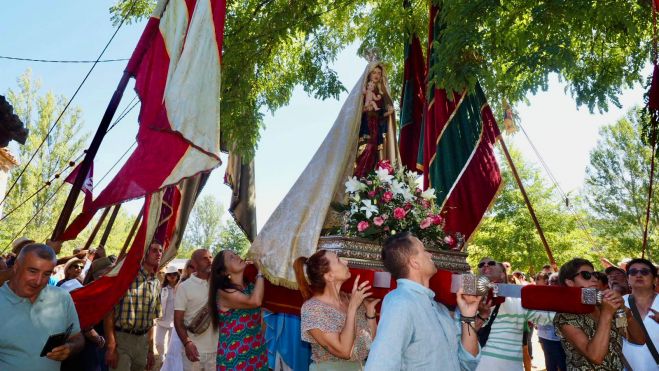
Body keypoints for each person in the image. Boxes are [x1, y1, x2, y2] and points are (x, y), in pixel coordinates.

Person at [365, 232, 481, 370]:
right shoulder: (400, 302)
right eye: (424, 250)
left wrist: (468, 316)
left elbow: (468, 362)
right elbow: (380, 365)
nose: (430, 255)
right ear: (414, 262)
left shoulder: (440, 309)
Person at [0, 243, 84, 370]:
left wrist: (70, 348)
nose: (38, 281)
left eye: (46, 274)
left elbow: (77, 338)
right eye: (33, 271)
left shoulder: (62, 298)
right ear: (16, 267)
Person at [294, 250, 379, 370]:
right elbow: (344, 351)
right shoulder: (312, 308)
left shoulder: (350, 298)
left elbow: (370, 343)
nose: (346, 261)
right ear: (329, 276)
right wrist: (352, 308)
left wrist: (370, 311)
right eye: (338, 260)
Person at [554, 258, 645, 370]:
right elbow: (596, 356)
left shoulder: (604, 306)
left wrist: (624, 310)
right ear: (570, 282)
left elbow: (637, 339)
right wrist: (606, 314)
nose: (594, 279)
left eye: (595, 274)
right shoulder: (565, 315)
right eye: (586, 275)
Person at [475, 258, 554, 371]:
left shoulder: (519, 300)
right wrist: (481, 316)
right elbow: (462, 336)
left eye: (491, 263)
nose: (486, 265)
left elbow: (551, 318)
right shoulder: (468, 301)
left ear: (503, 274)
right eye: (481, 264)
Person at [104, 242, 163, 371]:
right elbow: (109, 312)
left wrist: (150, 350)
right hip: (122, 339)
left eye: (160, 251)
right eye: (154, 250)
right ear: (144, 253)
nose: (158, 253)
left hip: (142, 342)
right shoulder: (127, 277)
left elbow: (152, 320)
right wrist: (111, 346)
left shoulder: (156, 282)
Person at [209, 250, 267, 370]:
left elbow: (262, 314)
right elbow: (255, 302)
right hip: (235, 354)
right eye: (231, 258)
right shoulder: (224, 292)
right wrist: (261, 272)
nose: (237, 257)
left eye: (235, 254)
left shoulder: (250, 286)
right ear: (224, 272)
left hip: (256, 350)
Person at [175, 249, 218, 370]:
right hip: (194, 350)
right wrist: (187, 343)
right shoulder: (184, 287)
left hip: (217, 350)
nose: (210, 261)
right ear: (194, 263)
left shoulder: (219, 284)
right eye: (205, 258)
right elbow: (178, 321)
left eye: (211, 257)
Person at [355, 64, 396, 177]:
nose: (377, 75)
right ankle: (358, 178)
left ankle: (366, 182)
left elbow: (381, 113)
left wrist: (388, 112)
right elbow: (356, 109)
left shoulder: (380, 94)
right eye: (374, 72)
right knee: (365, 149)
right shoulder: (363, 90)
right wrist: (365, 108)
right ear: (369, 75)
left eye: (379, 73)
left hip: (375, 128)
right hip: (365, 126)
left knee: (373, 152)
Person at [622, 258, 659, 370]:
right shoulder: (617, 303)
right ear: (628, 279)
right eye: (633, 272)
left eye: (644, 272)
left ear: (655, 280)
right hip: (628, 367)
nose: (638, 274)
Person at [535, 273, 567, 371]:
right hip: (547, 337)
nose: (554, 284)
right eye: (552, 281)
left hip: (563, 338)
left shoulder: (566, 296)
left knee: (563, 364)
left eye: (557, 281)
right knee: (551, 364)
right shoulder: (543, 296)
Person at [155, 264, 180, 364]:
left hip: (175, 322)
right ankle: (161, 356)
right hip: (162, 320)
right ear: (167, 276)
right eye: (170, 274)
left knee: (171, 344)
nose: (172, 276)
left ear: (178, 275)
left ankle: (169, 362)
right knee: (159, 343)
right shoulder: (161, 288)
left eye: (174, 274)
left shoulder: (181, 288)